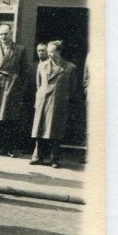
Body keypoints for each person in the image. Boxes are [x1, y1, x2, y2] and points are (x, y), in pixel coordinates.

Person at [30, 40, 77, 168]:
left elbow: (72, 88)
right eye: (48, 51)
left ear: (59, 52)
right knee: (40, 130)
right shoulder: (42, 65)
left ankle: (54, 159)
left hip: (57, 103)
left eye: (52, 51)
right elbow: (38, 84)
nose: (49, 54)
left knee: (55, 132)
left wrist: (63, 98)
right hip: (43, 102)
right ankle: (38, 157)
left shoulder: (69, 67)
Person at [0, 23, 27, 157]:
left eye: (5, 34)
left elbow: (24, 71)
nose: (3, 37)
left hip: (11, 85)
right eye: (1, 34)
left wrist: (18, 87)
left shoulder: (19, 49)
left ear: (11, 34)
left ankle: (7, 148)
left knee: (8, 118)